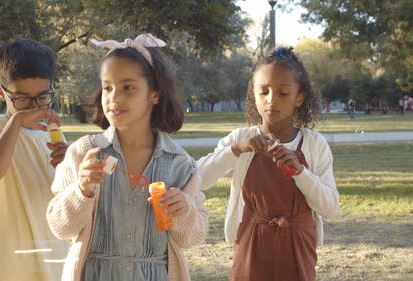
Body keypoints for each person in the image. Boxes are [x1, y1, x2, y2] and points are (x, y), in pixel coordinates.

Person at [46, 33, 208, 281]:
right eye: (107, 87)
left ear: (154, 94)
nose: (114, 98)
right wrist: (82, 190)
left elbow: (191, 238)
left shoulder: (180, 166)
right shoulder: (83, 155)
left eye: (128, 87)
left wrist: (184, 211)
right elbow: (60, 227)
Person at [197, 47, 339, 281]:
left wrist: (300, 172)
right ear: (254, 93)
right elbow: (199, 179)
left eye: (283, 93)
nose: (271, 100)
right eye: (264, 91)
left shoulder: (313, 144)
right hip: (251, 245)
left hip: (298, 246)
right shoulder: (239, 140)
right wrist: (236, 150)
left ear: (299, 98)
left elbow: (330, 207)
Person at [0, 38, 69, 281]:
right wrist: (18, 121)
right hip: (10, 262)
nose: (34, 106)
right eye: (22, 99)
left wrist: (70, 168)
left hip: (55, 257)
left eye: (42, 97)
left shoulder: (54, 135)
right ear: (1, 92)